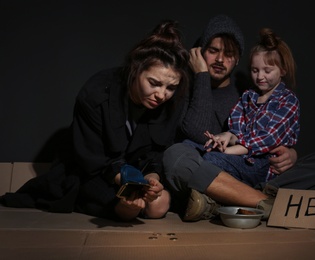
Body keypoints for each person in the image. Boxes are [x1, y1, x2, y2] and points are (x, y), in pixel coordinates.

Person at [0, 20, 190, 222]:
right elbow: (93, 162)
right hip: (93, 173)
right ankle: (120, 208)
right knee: (130, 207)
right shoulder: (96, 93)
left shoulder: (171, 102)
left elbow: (156, 154)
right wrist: (129, 185)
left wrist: (152, 181)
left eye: (170, 87)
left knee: (159, 205)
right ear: (136, 69)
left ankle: (133, 203)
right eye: (153, 83)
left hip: (138, 174)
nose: (161, 94)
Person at [162, 14, 315, 222]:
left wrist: (290, 154)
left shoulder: (247, 91)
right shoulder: (180, 86)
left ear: (238, 59)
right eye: (212, 51)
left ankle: (230, 200)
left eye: (229, 54)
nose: (220, 60)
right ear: (200, 53)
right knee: (177, 154)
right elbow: (196, 132)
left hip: (251, 170)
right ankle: (264, 202)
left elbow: (268, 136)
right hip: (217, 168)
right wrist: (201, 76)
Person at [200, 27, 300, 189]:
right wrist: (226, 137)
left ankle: (253, 188)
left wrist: (227, 152)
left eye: (267, 71)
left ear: (282, 70)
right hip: (243, 160)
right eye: (255, 70)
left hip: (266, 164)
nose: (260, 76)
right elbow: (237, 130)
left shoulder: (287, 100)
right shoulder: (248, 96)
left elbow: (268, 139)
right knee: (197, 152)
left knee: (212, 160)